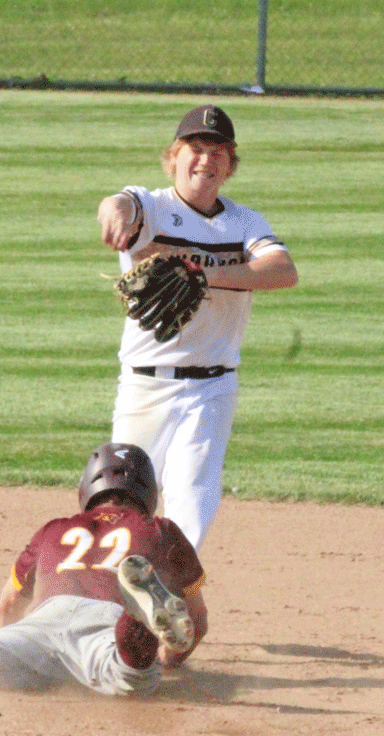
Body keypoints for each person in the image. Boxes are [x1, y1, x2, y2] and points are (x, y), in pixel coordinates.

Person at [97, 104, 298, 550]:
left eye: (218, 153)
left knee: (191, 496)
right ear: (173, 156)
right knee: (123, 502)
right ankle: (105, 601)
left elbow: (282, 270)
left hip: (212, 387)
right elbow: (121, 204)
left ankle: (167, 592)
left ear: (230, 167)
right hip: (144, 385)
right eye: (196, 148)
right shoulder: (152, 206)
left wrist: (205, 275)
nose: (205, 160)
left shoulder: (244, 222)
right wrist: (113, 209)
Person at [0, 443, 208, 696]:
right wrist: (166, 660)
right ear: (148, 494)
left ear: (86, 489)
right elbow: (196, 620)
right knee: (133, 678)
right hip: (106, 623)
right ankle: (136, 616)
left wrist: (15, 653)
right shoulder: (160, 530)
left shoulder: (53, 528)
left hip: (42, 622)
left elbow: (6, 608)